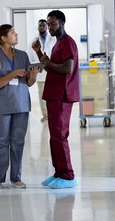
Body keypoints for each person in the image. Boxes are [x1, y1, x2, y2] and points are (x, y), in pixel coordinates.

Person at [0, 24, 40, 190]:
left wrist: (34, 75)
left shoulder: (23, 56)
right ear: (3, 38)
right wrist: (13, 73)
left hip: (21, 105)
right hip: (2, 105)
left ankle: (16, 178)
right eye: (12, 32)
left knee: (18, 142)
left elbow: (29, 83)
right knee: (1, 142)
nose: (16, 34)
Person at [32, 10, 79, 189]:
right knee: (54, 137)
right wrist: (38, 53)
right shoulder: (58, 43)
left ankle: (68, 176)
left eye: (52, 24)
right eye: (48, 24)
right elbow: (51, 66)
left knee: (60, 136)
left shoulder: (67, 42)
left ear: (62, 24)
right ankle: (58, 172)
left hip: (62, 95)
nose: (49, 27)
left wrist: (47, 62)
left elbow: (67, 68)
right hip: (54, 94)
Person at [28, 19, 56, 122]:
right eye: (40, 25)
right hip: (39, 72)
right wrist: (33, 68)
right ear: (38, 27)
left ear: (46, 27)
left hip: (51, 70)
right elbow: (30, 56)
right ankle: (45, 114)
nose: (42, 27)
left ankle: (52, 113)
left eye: (44, 25)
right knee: (42, 95)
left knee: (52, 94)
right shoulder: (32, 41)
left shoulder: (53, 39)